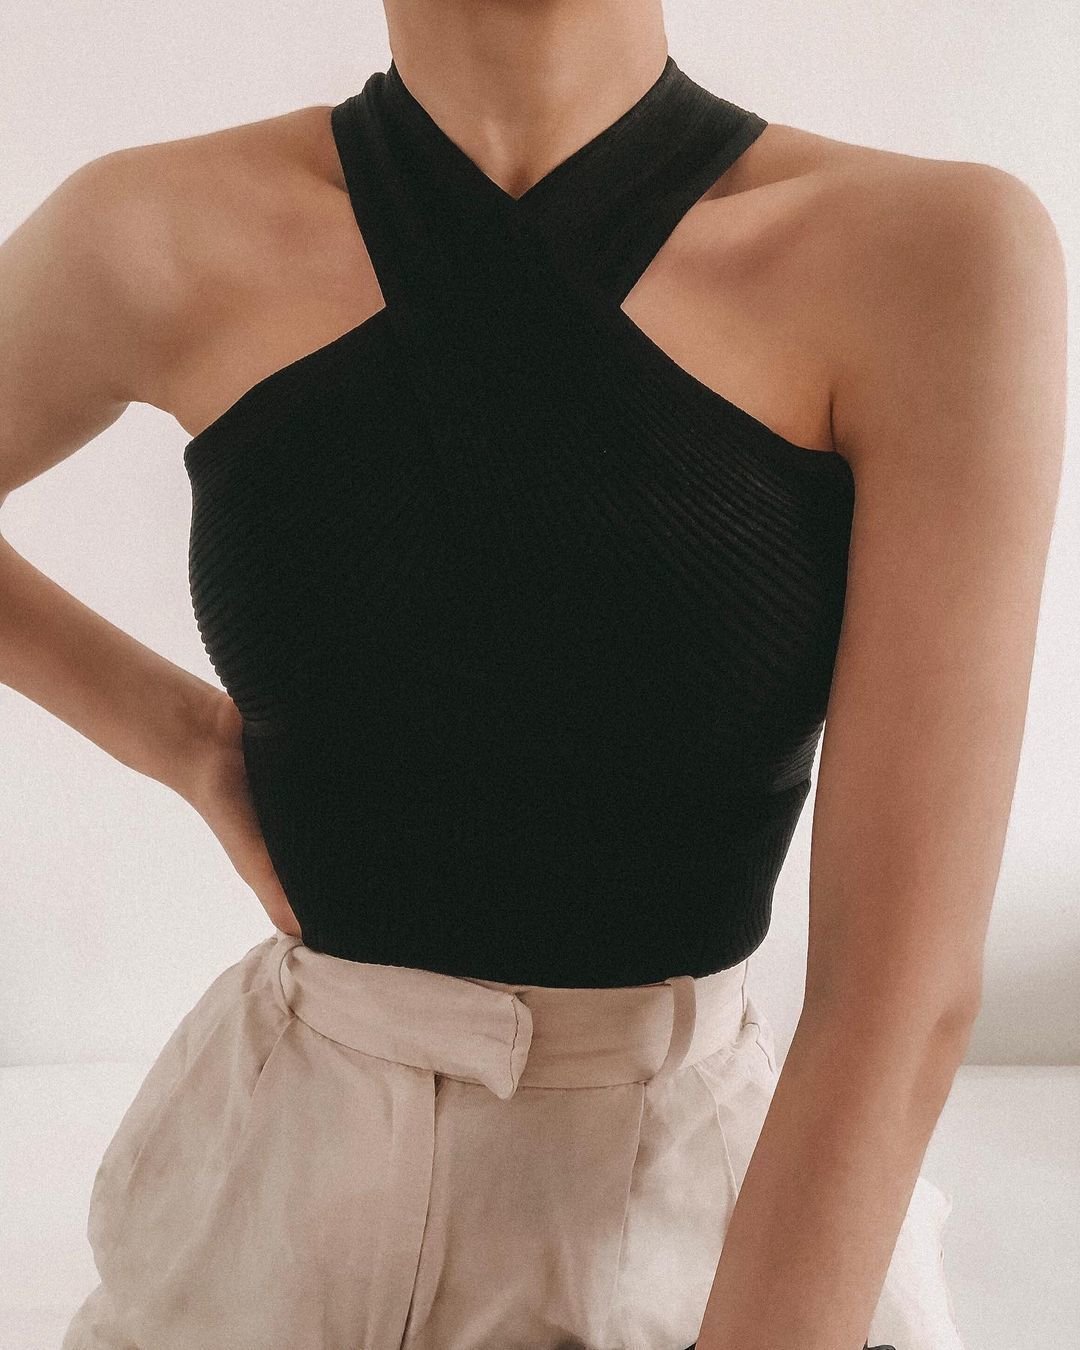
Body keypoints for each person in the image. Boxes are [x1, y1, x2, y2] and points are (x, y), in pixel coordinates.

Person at [0, 0, 1065, 1347]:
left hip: (695, 1232)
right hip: (272, 1210)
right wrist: (185, 742)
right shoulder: (155, 231)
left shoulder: (933, 257)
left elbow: (897, 1000)